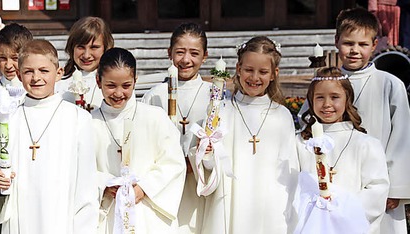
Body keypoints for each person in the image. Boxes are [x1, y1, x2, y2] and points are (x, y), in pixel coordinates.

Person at [0, 39, 98, 234]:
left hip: (62, 221)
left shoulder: (78, 119)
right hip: (20, 220)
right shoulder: (9, 118)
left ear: (59, 73)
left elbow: (86, 186)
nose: (36, 77)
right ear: (20, 76)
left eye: (44, 71)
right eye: (29, 71)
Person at [198, 36, 299, 233]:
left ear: (273, 74)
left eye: (263, 72)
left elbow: (290, 168)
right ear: (238, 69)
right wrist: (207, 153)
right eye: (248, 70)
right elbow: (210, 166)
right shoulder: (221, 111)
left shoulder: (282, 115)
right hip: (230, 199)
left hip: (270, 204)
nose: (254, 78)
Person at [93, 47, 186, 233]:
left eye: (126, 85)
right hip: (108, 213)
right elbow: (78, 170)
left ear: (135, 81)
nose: (119, 93)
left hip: (148, 212)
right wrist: (104, 183)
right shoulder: (88, 122)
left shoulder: (154, 117)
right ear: (98, 81)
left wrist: (143, 188)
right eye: (111, 85)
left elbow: (174, 163)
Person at [334, 8, 410, 234]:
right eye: (348, 43)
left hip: (380, 186)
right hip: (338, 180)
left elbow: (402, 136)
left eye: (363, 44)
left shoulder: (389, 84)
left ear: (374, 44)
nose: (355, 50)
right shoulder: (327, 83)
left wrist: (395, 188)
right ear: (336, 41)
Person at [296, 67, 389, 234]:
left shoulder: (366, 144)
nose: (327, 104)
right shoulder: (300, 142)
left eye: (335, 97)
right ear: (310, 100)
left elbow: (377, 188)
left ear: (347, 100)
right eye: (319, 98)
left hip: (350, 225)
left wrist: (341, 208)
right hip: (310, 224)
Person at [140, 23, 211, 233]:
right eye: (180, 52)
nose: (186, 60)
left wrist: (198, 159)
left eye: (194, 53)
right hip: (163, 186)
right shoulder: (155, 95)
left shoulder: (213, 95)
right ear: (169, 53)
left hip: (197, 185)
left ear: (205, 56)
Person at [55, 16, 114, 111]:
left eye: (94, 47)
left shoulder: (113, 82)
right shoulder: (59, 82)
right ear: (72, 48)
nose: (86, 55)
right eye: (81, 47)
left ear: (105, 48)